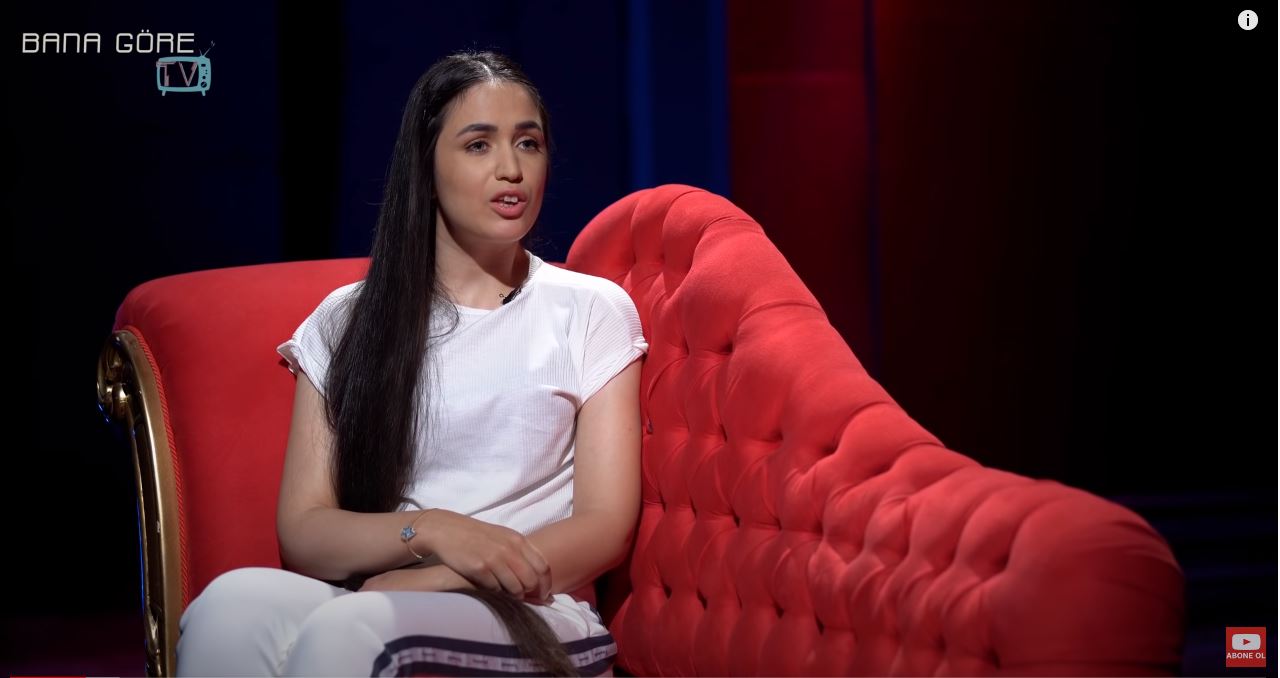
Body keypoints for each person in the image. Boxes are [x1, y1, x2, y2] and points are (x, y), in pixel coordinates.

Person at [175, 49, 648, 677]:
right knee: (229, 607)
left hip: (537, 608)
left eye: (528, 143)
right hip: (385, 593)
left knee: (356, 627)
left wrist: (448, 576)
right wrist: (429, 531)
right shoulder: (349, 319)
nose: (511, 169)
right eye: (478, 145)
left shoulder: (591, 309)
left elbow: (605, 526)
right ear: (425, 168)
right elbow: (306, 530)